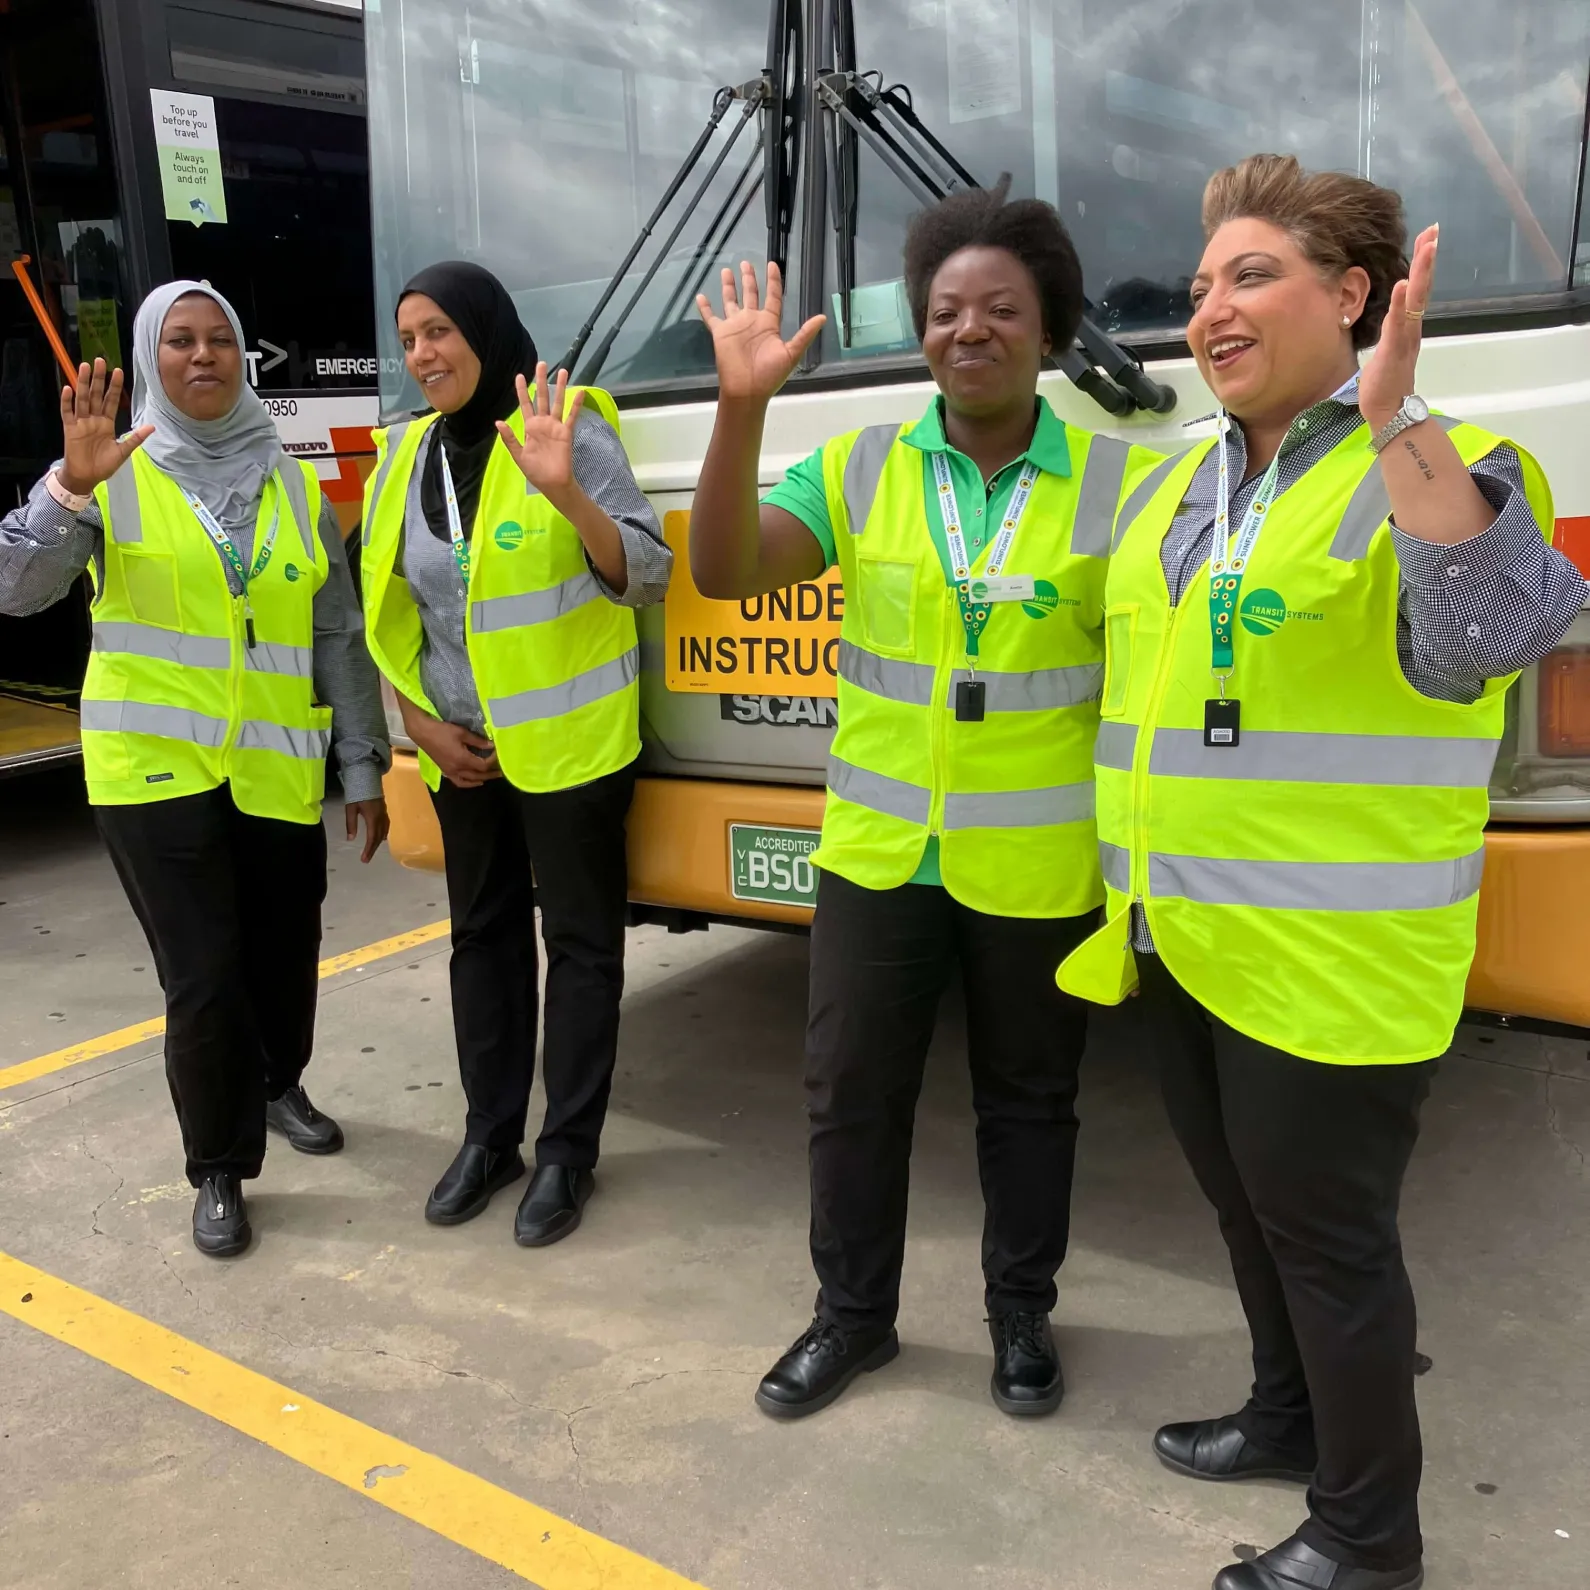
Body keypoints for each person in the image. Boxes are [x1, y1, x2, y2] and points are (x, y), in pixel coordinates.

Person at [1059, 155, 1586, 1590]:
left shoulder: (1435, 458)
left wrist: (1393, 414)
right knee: (1246, 1212)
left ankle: (1368, 1536)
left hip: (1334, 958)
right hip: (1178, 937)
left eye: (1250, 275)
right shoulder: (1183, 483)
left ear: (1350, 297)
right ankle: (1284, 1414)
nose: (1207, 308)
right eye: (1200, 282)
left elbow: (1492, 630)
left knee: (1330, 1244)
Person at [690, 183, 1164, 1420]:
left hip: (1037, 867)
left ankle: (1022, 1316)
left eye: (1002, 309)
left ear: (1052, 332)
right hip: (880, 855)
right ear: (921, 332)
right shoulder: (857, 466)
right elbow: (725, 570)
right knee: (850, 1095)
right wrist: (741, 413)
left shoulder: (1123, 490)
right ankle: (853, 1319)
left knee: (1029, 1105)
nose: (970, 329)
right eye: (946, 310)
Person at [0, 281, 392, 1259]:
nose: (204, 356)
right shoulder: (111, 473)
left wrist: (364, 763)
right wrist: (68, 491)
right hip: (151, 771)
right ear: (150, 358)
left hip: (275, 767)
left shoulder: (295, 485)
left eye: (222, 340)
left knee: (283, 956)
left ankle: (277, 1080)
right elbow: (14, 590)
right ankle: (219, 1164)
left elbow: (336, 630)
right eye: (180, 341)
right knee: (206, 976)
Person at [360, 262, 671, 1245]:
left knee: (580, 947)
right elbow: (390, 603)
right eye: (408, 338)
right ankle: (490, 1136)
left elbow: (646, 572)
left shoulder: (565, 421)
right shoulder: (403, 455)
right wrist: (415, 720)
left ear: (488, 332)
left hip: (572, 745)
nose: (423, 354)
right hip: (461, 751)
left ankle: (567, 1152)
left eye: (440, 331)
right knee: (480, 940)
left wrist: (568, 493)